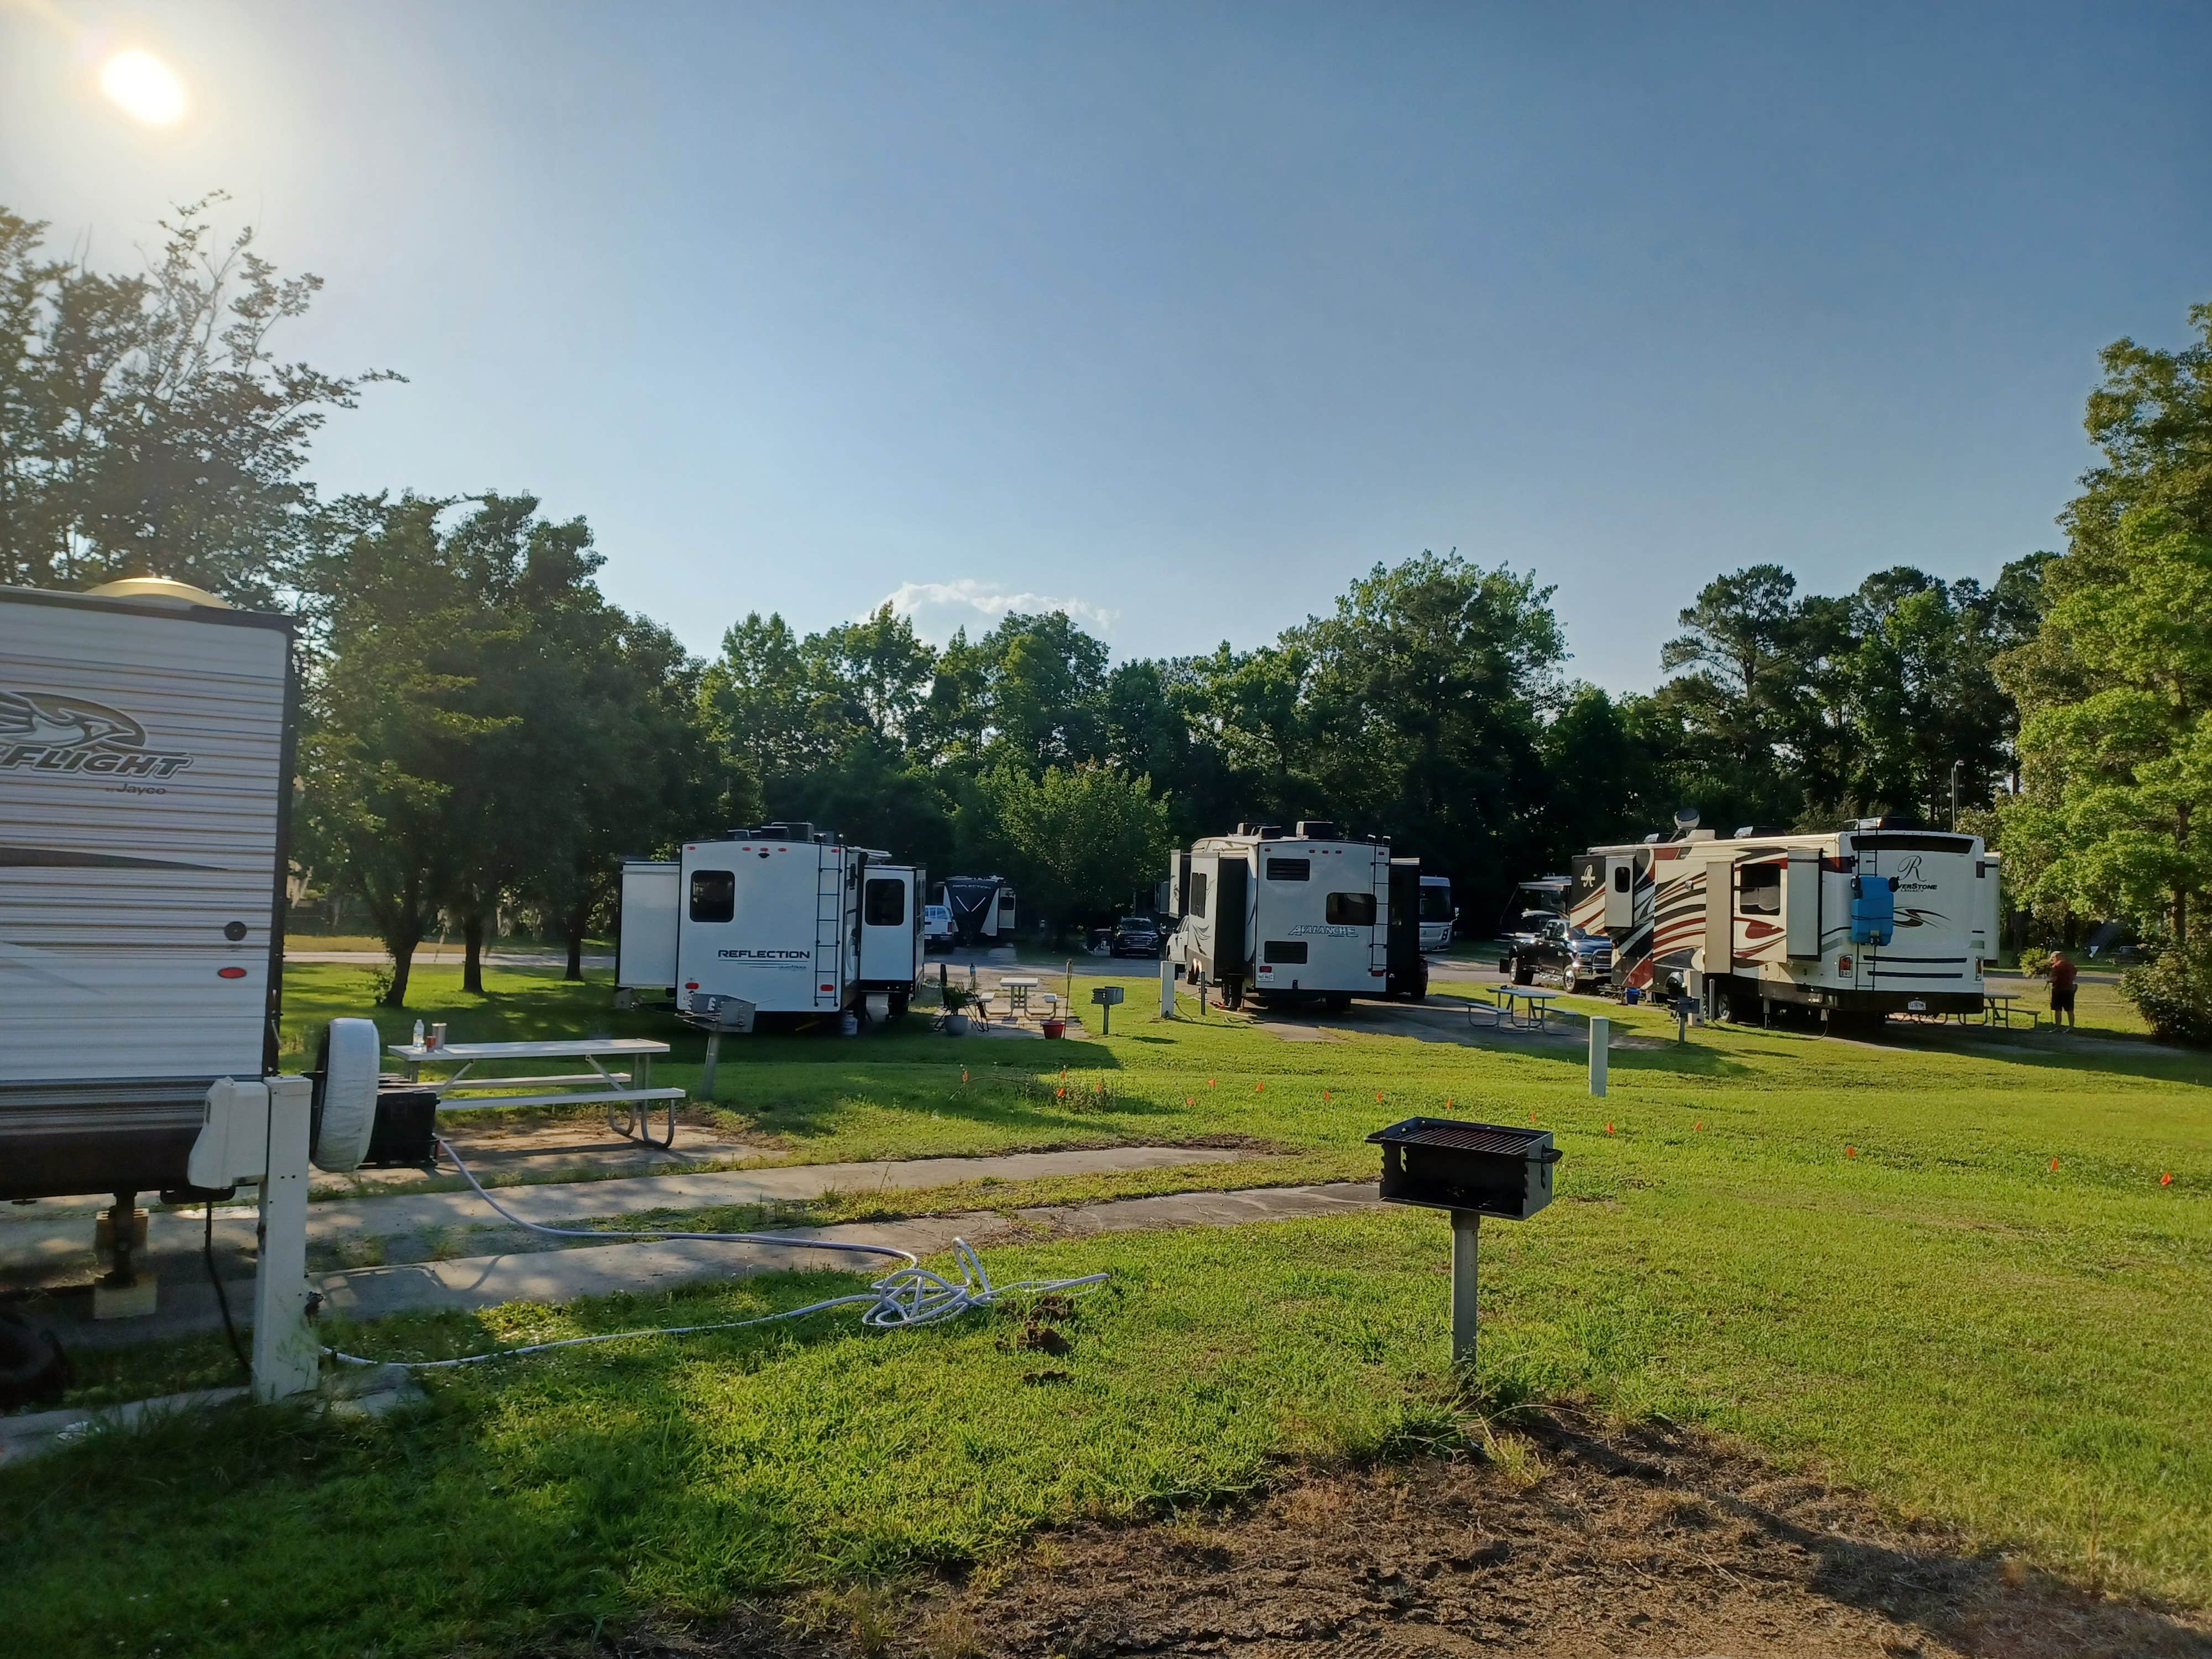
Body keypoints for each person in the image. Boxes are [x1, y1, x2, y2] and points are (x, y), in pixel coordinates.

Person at [2047, 949, 2078, 1029]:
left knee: (2058, 1010)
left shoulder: (2056, 966)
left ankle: (2058, 1027)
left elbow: (2054, 979)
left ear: (2056, 957)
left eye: (2053, 958)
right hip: (2069, 990)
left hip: (2058, 990)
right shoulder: (2071, 966)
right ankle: (2071, 1027)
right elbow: (2074, 977)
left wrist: (2049, 980)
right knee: (2070, 1010)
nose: (2052, 960)